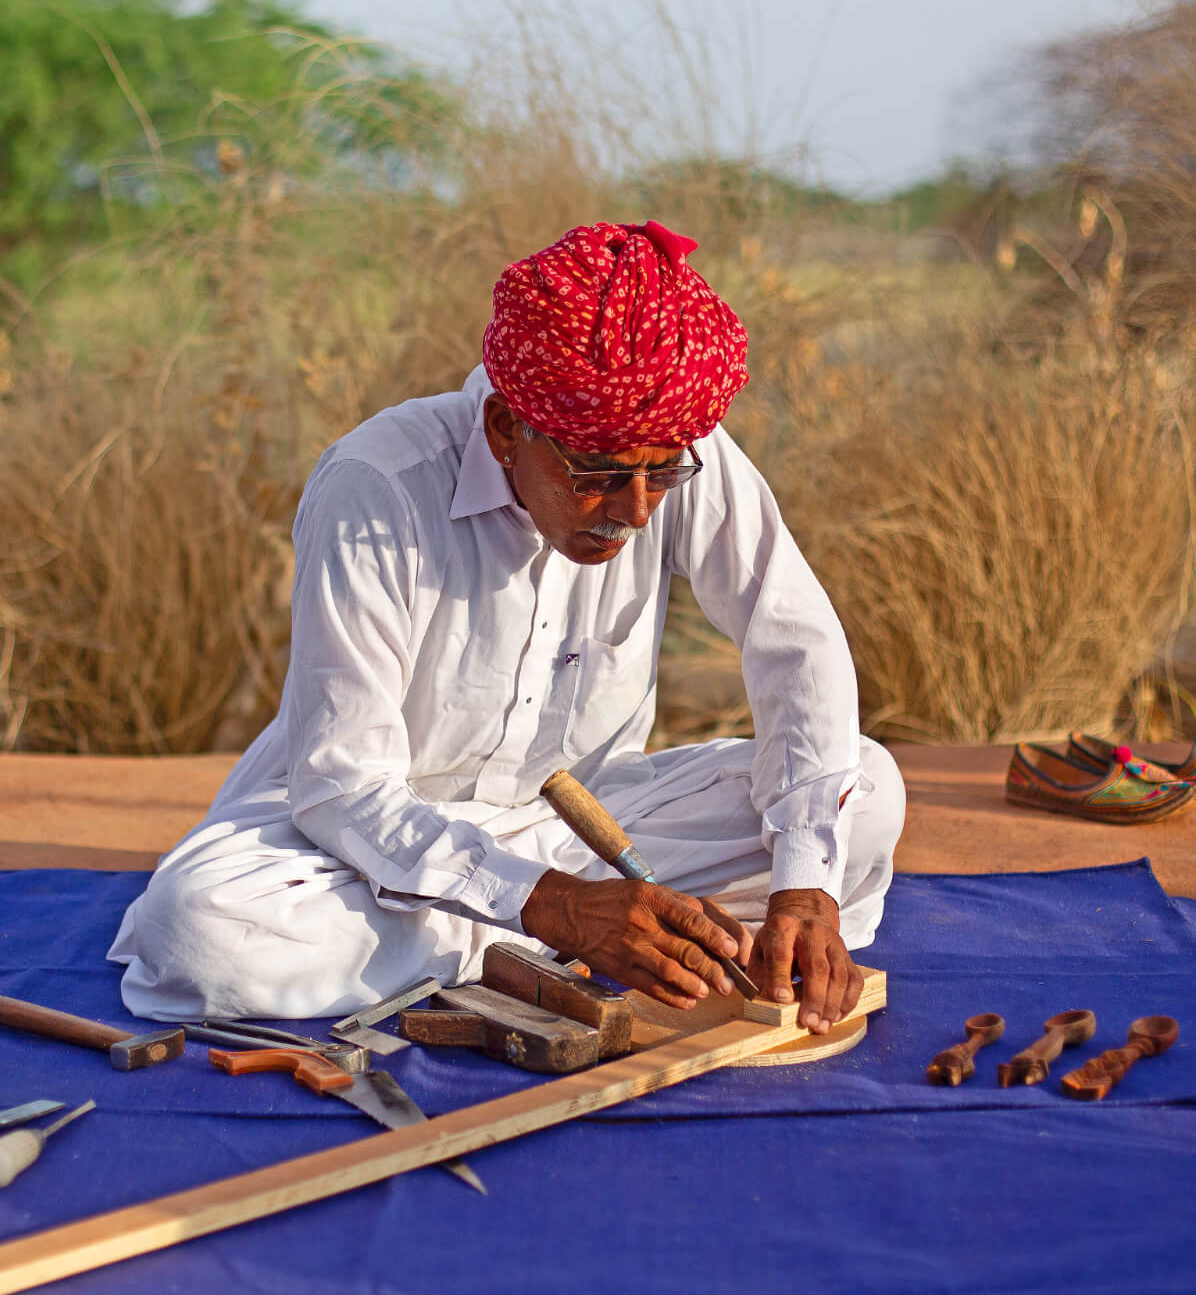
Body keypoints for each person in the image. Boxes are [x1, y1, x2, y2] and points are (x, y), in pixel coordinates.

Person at [109, 220, 905, 1034]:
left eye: (662, 475)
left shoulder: (668, 440)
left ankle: (537, 938)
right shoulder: (376, 487)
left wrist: (804, 890)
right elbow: (343, 785)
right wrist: (553, 908)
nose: (636, 510)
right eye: (597, 475)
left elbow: (796, 643)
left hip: (583, 831)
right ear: (502, 429)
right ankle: (546, 937)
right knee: (201, 931)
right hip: (359, 848)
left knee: (863, 793)